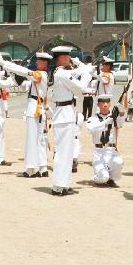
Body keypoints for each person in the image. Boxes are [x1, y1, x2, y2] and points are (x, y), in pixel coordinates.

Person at [0, 51, 52, 177]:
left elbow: (23, 71)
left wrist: (5, 64)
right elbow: (23, 85)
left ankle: (31, 169)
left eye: (38, 61)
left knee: (32, 139)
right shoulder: (41, 76)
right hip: (38, 109)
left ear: (44, 63)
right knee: (40, 140)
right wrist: (13, 73)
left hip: (34, 109)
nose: (36, 63)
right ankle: (43, 167)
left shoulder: (39, 74)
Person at [49, 45, 93, 196]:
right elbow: (80, 87)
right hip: (63, 115)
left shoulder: (61, 72)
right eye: (67, 56)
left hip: (66, 113)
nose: (69, 59)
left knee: (67, 153)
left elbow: (76, 72)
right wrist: (87, 75)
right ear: (61, 58)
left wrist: (86, 68)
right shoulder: (61, 74)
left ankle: (64, 184)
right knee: (62, 152)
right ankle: (58, 186)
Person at [85, 94, 125, 187]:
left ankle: (111, 178)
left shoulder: (114, 117)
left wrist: (121, 110)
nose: (105, 104)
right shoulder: (93, 118)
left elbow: (121, 121)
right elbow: (91, 128)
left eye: (107, 102)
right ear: (98, 104)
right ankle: (99, 177)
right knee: (103, 178)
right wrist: (106, 122)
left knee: (119, 162)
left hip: (111, 150)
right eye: (103, 103)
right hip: (99, 152)